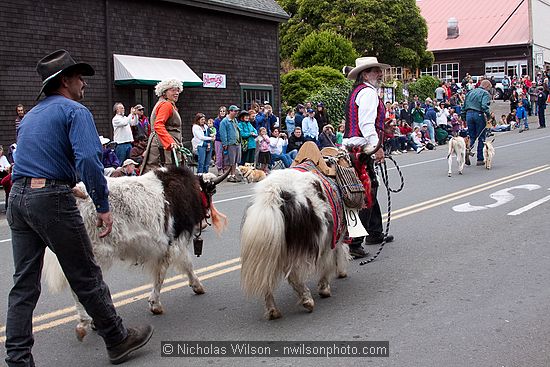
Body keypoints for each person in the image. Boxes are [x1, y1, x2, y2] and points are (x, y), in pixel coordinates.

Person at [5, 49, 153, 367]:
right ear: (65, 81)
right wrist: (102, 205)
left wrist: (64, 182)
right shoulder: (75, 111)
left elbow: (29, 162)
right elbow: (88, 159)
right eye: (80, 77)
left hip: (18, 198)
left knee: (24, 284)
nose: (84, 83)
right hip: (50, 201)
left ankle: (17, 358)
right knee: (85, 273)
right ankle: (116, 338)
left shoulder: (30, 116)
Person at [343, 56, 395, 259]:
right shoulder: (367, 93)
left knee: (370, 186)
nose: (379, 73)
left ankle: (374, 231)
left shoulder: (361, 91)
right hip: (360, 149)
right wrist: (376, 146)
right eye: (375, 70)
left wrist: (383, 128)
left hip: (354, 146)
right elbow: (366, 123)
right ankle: (355, 242)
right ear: (365, 74)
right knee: (364, 192)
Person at [141, 79, 184, 173]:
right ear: (164, 92)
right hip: (163, 145)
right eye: (173, 90)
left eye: (178, 90)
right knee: (166, 172)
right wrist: (170, 142)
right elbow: (158, 125)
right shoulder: (166, 105)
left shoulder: (164, 104)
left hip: (160, 142)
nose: (176, 93)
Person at [462, 79, 492, 166]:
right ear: (486, 86)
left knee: (472, 135)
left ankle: (468, 149)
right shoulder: (485, 93)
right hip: (478, 114)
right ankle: (480, 159)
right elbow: (484, 106)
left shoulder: (470, 92)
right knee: (481, 136)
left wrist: (463, 117)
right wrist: (488, 116)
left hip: (468, 114)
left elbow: (464, 106)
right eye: (489, 88)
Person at [219, 105, 242, 182]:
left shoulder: (235, 120)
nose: (236, 113)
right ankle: (228, 176)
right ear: (230, 111)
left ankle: (233, 174)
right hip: (230, 143)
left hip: (237, 142)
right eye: (235, 111)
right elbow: (223, 133)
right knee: (229, 161)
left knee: (235, 161)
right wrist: (225, 143)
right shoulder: (224, 121)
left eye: (237, 111)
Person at [213, 106, 227, 175]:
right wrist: (222, 137)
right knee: (219, 155)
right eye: (221, 111)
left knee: (225, 155)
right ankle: (219, 168)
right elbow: (216, 131)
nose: (222, 112)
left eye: (223, 111)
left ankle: (225, 168)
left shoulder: (227, 120)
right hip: (218, 140)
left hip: (226, 141)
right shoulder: (216, 121)